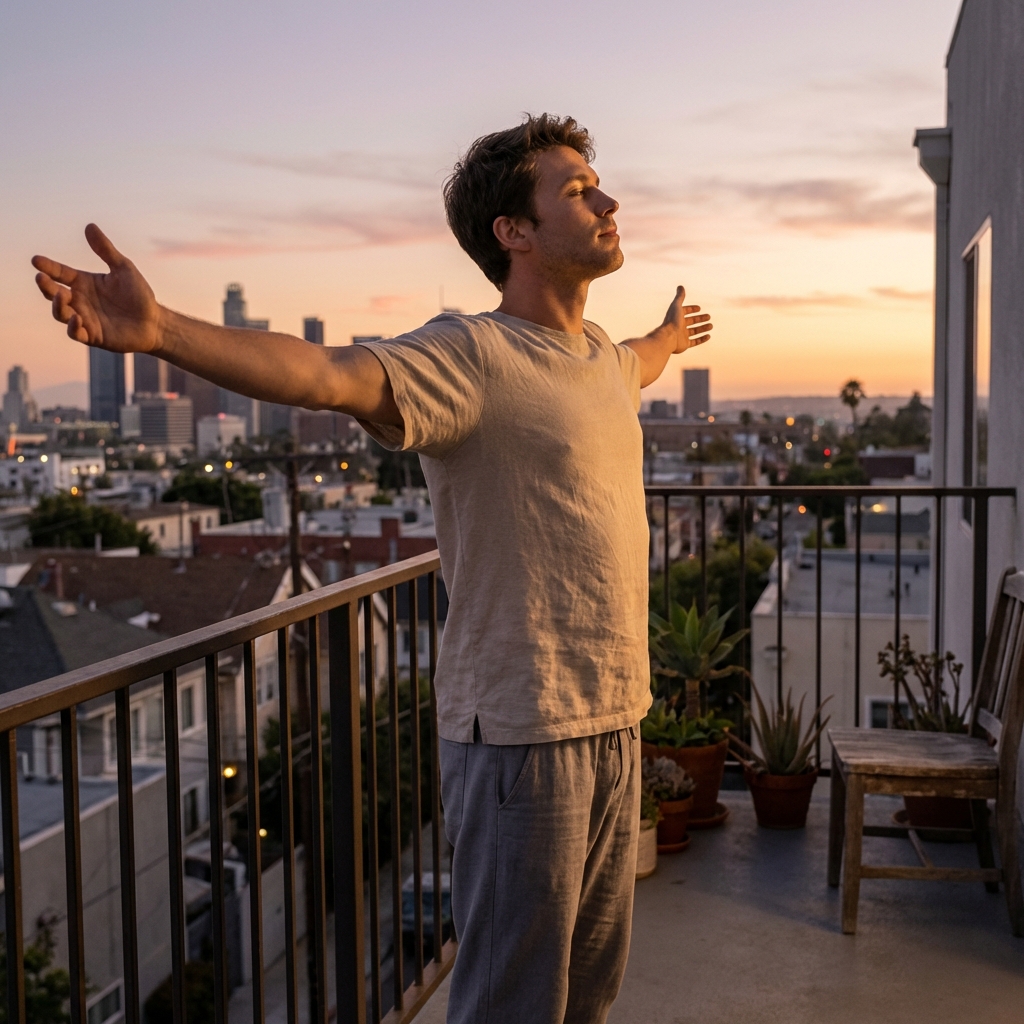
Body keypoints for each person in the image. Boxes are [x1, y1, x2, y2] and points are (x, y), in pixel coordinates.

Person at [32, 113, 712, 1024]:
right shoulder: (473, 355)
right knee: (513, 1005)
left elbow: (639, 362)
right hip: (523, 733)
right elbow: (324, 374)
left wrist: (667, 336)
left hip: (616, 719)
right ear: (512, 232)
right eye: (578, 190)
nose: (609, 200)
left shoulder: (597, 358)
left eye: (599, 183)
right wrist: (161, 333)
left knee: (587, 996)